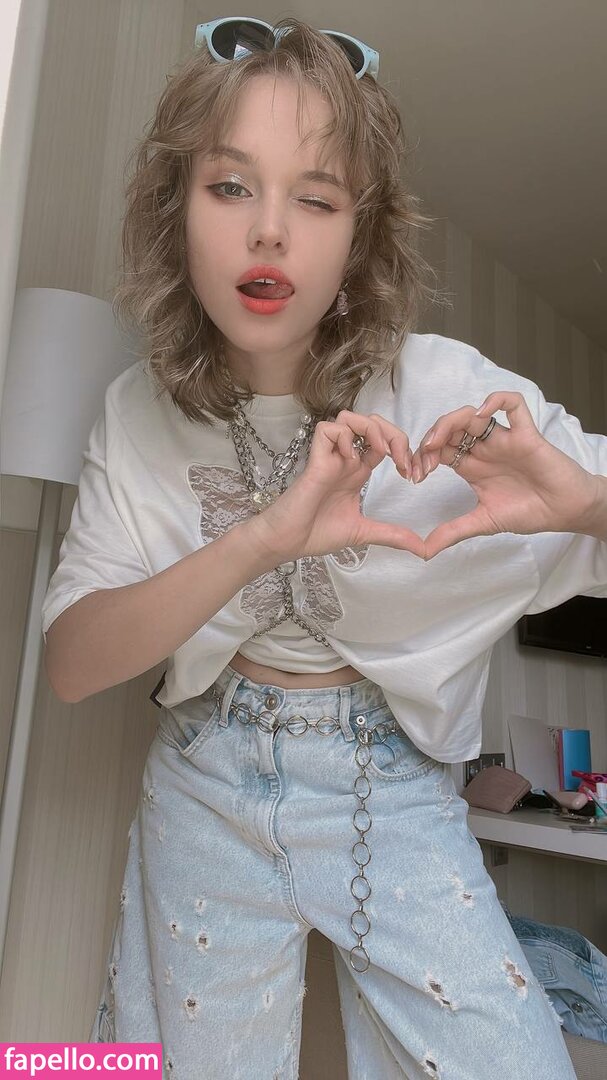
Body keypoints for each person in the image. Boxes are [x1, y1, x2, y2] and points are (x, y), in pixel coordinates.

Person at [41, 17, 606, 1080]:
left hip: (394, 785)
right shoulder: (135, 414)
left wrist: (585, 505)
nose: (268, 233)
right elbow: (72, 663)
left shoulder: (447, 388)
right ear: (175, 210)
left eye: (315, 198)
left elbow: (581, 508)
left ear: (359, 236)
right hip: (204, 776)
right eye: (229, 187)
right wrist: (262, 540)